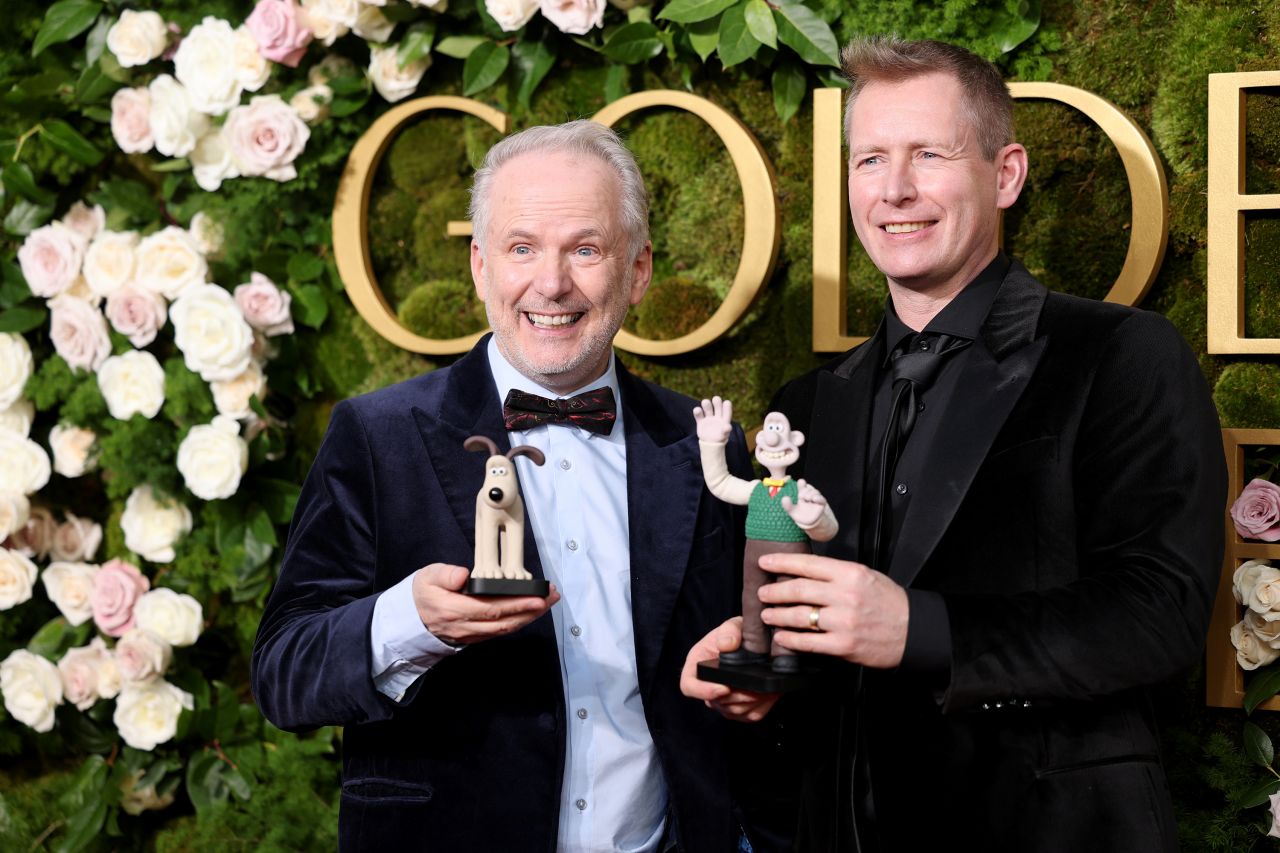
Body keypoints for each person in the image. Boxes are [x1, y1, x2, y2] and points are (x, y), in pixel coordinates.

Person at [681, 36, 1226, 852]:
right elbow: (828, 635)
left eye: (927, 155)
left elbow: (1161, 612)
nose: (894, 189)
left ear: (1005, 174)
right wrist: (762, 659)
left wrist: (923, 629)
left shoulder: (1119, 355)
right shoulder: (808, 404)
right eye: (869, 161)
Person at [253, 120, 752, 851]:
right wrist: (409, 624)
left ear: (638, 270)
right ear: (481, 266)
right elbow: (282, 674)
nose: (551, 284)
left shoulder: (701, 441)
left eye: (585, 249)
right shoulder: (377, 435)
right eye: (523, 248)